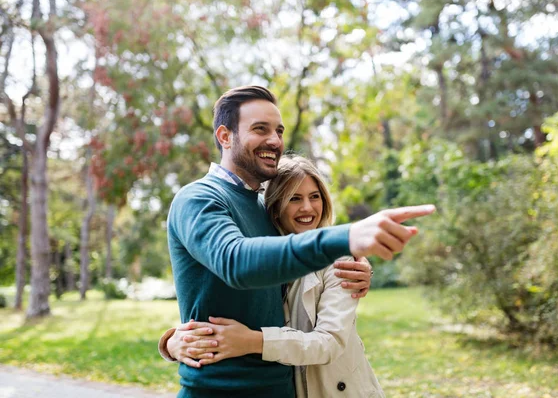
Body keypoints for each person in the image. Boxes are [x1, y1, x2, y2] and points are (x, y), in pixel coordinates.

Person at [164, 85, 435, 397]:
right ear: (225, 136)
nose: (274, 141)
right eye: (260, 129)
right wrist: (347, 237)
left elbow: (268, 289)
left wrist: (357, 267)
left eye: (279, 130)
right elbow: (236, 262)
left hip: (283, 389)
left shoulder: (263, 209)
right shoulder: (198, 199)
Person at [163, 154, 386, 397]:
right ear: (276, 206)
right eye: (294, 198)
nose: (308, 208)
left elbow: (328, 343)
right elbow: (233, 300)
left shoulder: (340, 262)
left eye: (315, 197)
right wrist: (172, 342)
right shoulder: (263, 255)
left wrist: (251, 341)